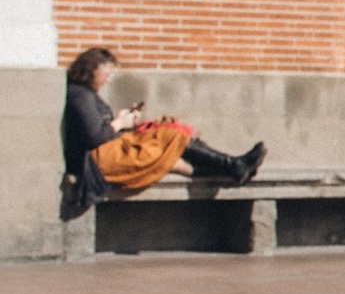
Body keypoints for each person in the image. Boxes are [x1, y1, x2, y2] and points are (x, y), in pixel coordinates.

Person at [59, 46, 265, 221]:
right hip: (97, 163)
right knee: (170, 136)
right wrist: (120, 122)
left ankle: (234, 168)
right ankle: (234, 165)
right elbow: (96, 137)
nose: (109, 80)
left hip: (109, 155)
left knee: (172, 157)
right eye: (107, 74)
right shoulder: (80, 97)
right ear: (93, 69)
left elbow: (101, 131)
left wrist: (127, 121)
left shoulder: (85, 94)